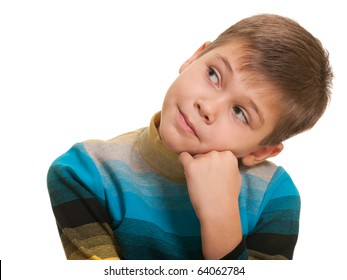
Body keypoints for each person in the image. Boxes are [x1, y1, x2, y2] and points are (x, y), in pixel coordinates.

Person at [47, 14, 333, 260]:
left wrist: (221, 219)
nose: (207, 107)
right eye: (213, 74)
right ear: (194, 57)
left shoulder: (274, 197)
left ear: (261, 151)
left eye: (240, 112)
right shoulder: (84, 172)